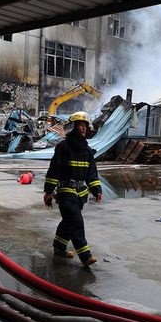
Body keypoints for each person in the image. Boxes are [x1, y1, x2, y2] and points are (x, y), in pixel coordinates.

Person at [43, 111, 102, 267]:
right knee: (76, 222)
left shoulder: (87, 150)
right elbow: (54, 170)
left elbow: (91, 172)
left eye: (85, 126)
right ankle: (85, 256)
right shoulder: (63, 147)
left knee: (68, 222)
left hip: (80, 193)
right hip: (65, 192)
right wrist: (49, 191)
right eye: (80, 125)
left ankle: (59, 247)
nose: (83, 129)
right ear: (72, 127)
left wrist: (97, 190)